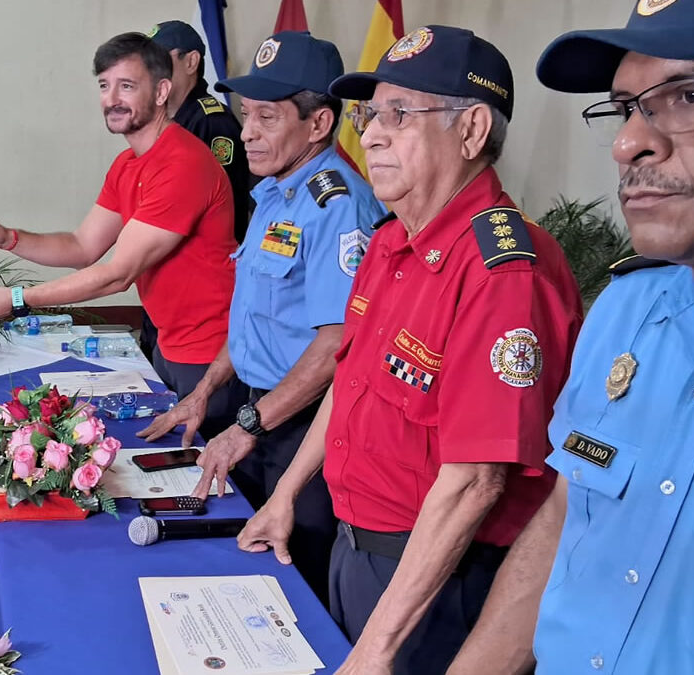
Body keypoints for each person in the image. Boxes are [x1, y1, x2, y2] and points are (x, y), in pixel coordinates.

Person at [236, 26, 584, 674]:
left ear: (473, 130)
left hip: (437, 579)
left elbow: (477, 479)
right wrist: (285, 492)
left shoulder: (502, 269)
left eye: (399, 115)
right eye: (371, 114)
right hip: (356, 549)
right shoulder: (392, 243)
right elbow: (349, 380)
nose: (368, 135)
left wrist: (377, 646)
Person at [447, 2, 694, 673]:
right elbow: (567, 514)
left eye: (688, 95)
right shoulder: (625, 308)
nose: (629, 142)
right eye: (627, 106)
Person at [137, 30, 385, 602]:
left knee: (297, 580)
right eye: (246, 115)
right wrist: (204, 392)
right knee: (246, 567)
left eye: (266, 118)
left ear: (319, 124)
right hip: (257, 412)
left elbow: (335, 345)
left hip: (305, 427)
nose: (246, 131)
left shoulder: (338, 204)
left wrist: (249, 425)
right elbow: (255, 318)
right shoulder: (274, 192)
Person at [0, 32, 240, 437]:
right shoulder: (128, 163)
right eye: (105, 86)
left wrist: (18, 300)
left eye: (127, 86)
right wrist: (8, 238)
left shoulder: (181, 163)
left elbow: (116, 274)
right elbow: (82, 246)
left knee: (204, 478)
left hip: (209, 352)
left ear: (162, 91)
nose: (112, 99)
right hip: (169, 341)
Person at [138, 20, 251, 364]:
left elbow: (226, 220)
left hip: (197, 297)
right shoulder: (162, 125)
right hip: (162, 283)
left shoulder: (210, 122)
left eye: (161, 61)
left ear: (191, 62)